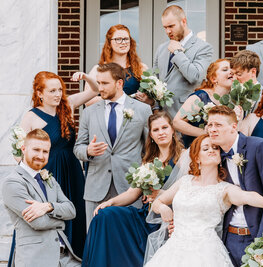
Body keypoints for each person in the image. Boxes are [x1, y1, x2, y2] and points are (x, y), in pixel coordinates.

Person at [145, 134, 263, 267]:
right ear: (197, 158)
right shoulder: (184, 181)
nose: (211, 150)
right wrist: (163, 208)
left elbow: (248, 196)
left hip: (206, 252)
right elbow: (158, 202)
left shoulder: (224, 189)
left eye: (215, 148)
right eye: (205, 149)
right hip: (174, 249)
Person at [81, 111, 183, 267]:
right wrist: (110, 202)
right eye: (155, 130)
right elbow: (132, 193)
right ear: (151, 136)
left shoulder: (184, 157)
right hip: (145, 217)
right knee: (104, 215)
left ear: (172, 130)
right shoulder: (148, 162)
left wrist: (160, 195)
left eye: (164, 127)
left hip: (170, 217)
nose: (161, 132)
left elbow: (191, 190)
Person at [18, 71, 99, 256]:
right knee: (50, 215)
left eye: (60, 90)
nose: (58, 95)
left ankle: (76, 257)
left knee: (75, 212)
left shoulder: (67, 105)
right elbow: (19, 152)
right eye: (52, 91)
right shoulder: (30, 117)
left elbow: (95, 90)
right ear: (39, 93)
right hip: (48, 173)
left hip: (72, 171)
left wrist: (86, 77)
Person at [206, 105, 263, 267]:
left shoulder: (259, 146)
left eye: (218, 125)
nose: (212, 129)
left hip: (259, 235)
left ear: (234, 126)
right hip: (230, 237)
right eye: (210, 125)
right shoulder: (215, 156)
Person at [73, 63, 152, 227]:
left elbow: (150, 150)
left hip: (130, 188)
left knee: (128, 242)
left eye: (104, 83)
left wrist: (146, 185)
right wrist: (87, 150)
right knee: (97, 241)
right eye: (98, 82)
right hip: (97, 188)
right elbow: (78, 147)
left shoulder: (143, 110)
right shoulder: (89, 112)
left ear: (119, 83)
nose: (99, 88)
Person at [3, 129, 81, 267]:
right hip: (36, 259)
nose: (41, 155)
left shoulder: (48, 178)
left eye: (45, 151)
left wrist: (49, 206)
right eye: (36, 150)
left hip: (65, 258)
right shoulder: (13, 182)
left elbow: (71, 210)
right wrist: (62, 223)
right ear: (24, 149)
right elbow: (38, 222)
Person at [154, 5, 213, 118]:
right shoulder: (161, 48)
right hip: (163, 117)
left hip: (186, 115)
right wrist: (156, 108)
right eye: (165, 27)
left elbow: (195, 77)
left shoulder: (204, 47)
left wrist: (177, 53)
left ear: (183, 21)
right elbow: (156, 80)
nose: (168, 31)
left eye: (171, 26)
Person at [173, 59, 233, 148]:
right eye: (225, 69)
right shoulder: (200, 97)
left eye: (232, 69)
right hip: (197, 149)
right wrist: (204, 133)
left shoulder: (233, 101)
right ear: (213, 78)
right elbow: (177, 122)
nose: (231, 72)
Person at [83, 24, 147, 106]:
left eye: (126, 39)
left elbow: (151, 100)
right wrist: (114, 98)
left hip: (135, 116)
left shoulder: (142, 68)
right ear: (109, 43)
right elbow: (88, 102)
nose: (123, 42)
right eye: (118, 39)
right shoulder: (98, 70)